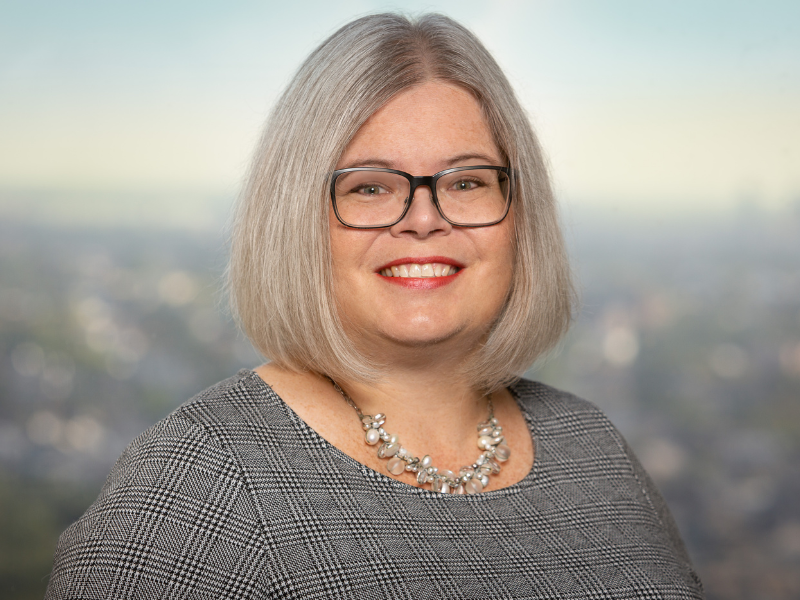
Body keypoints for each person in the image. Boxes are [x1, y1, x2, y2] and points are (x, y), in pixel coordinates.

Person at [46, 13, 703, 599]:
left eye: (467, 182)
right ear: (295, 219)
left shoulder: (590, 444)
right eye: (369, 188)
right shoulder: (196, 481)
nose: (424, 219)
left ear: (519, 214)